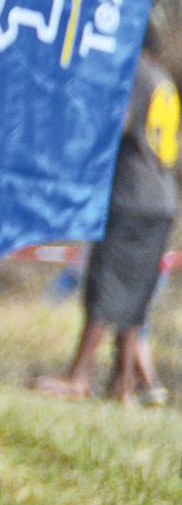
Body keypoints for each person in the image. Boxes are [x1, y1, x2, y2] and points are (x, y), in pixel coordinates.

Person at [35, 45, 178, 404]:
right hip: (162, 199)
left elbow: (117, 123)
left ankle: (78, 376)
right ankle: (123, 384)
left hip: (130, 194)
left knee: (105, 285)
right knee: (136, 296)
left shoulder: (133, 73)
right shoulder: (163, 78)